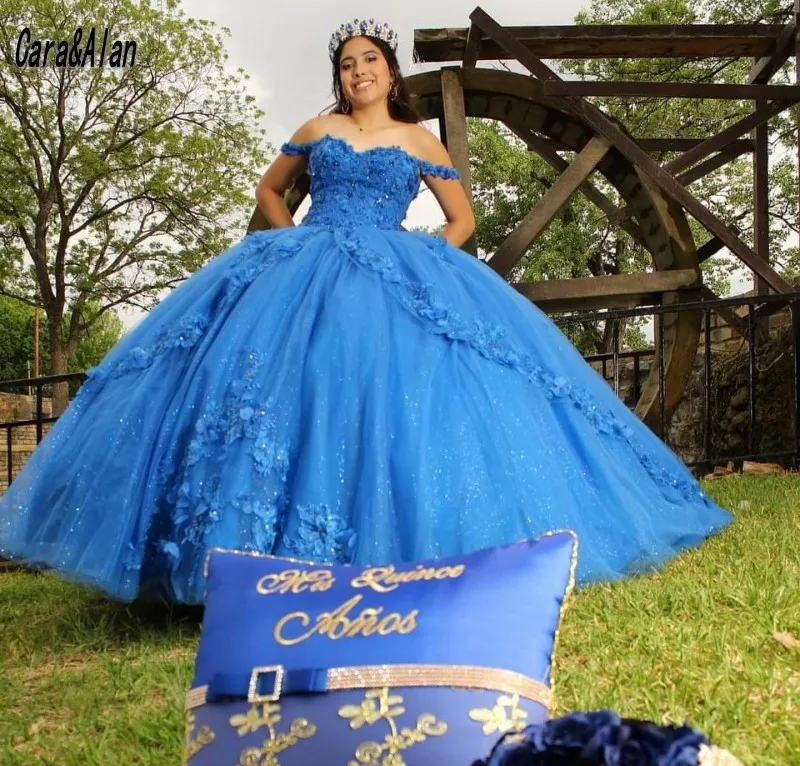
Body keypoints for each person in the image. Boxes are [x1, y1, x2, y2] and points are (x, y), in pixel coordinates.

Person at [0, 18, 731, 605]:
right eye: (347, 64)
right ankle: (239, 562)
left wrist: (429, 260)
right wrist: (289, 245)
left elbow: (462, 219)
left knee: (392, 393)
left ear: (390, 71)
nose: (358, 72)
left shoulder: (419, 139)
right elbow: (269, 190)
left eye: (369, 60)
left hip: (393, 263)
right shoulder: (316, 132)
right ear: (340, 78)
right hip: (307, 264)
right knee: (283, 385)